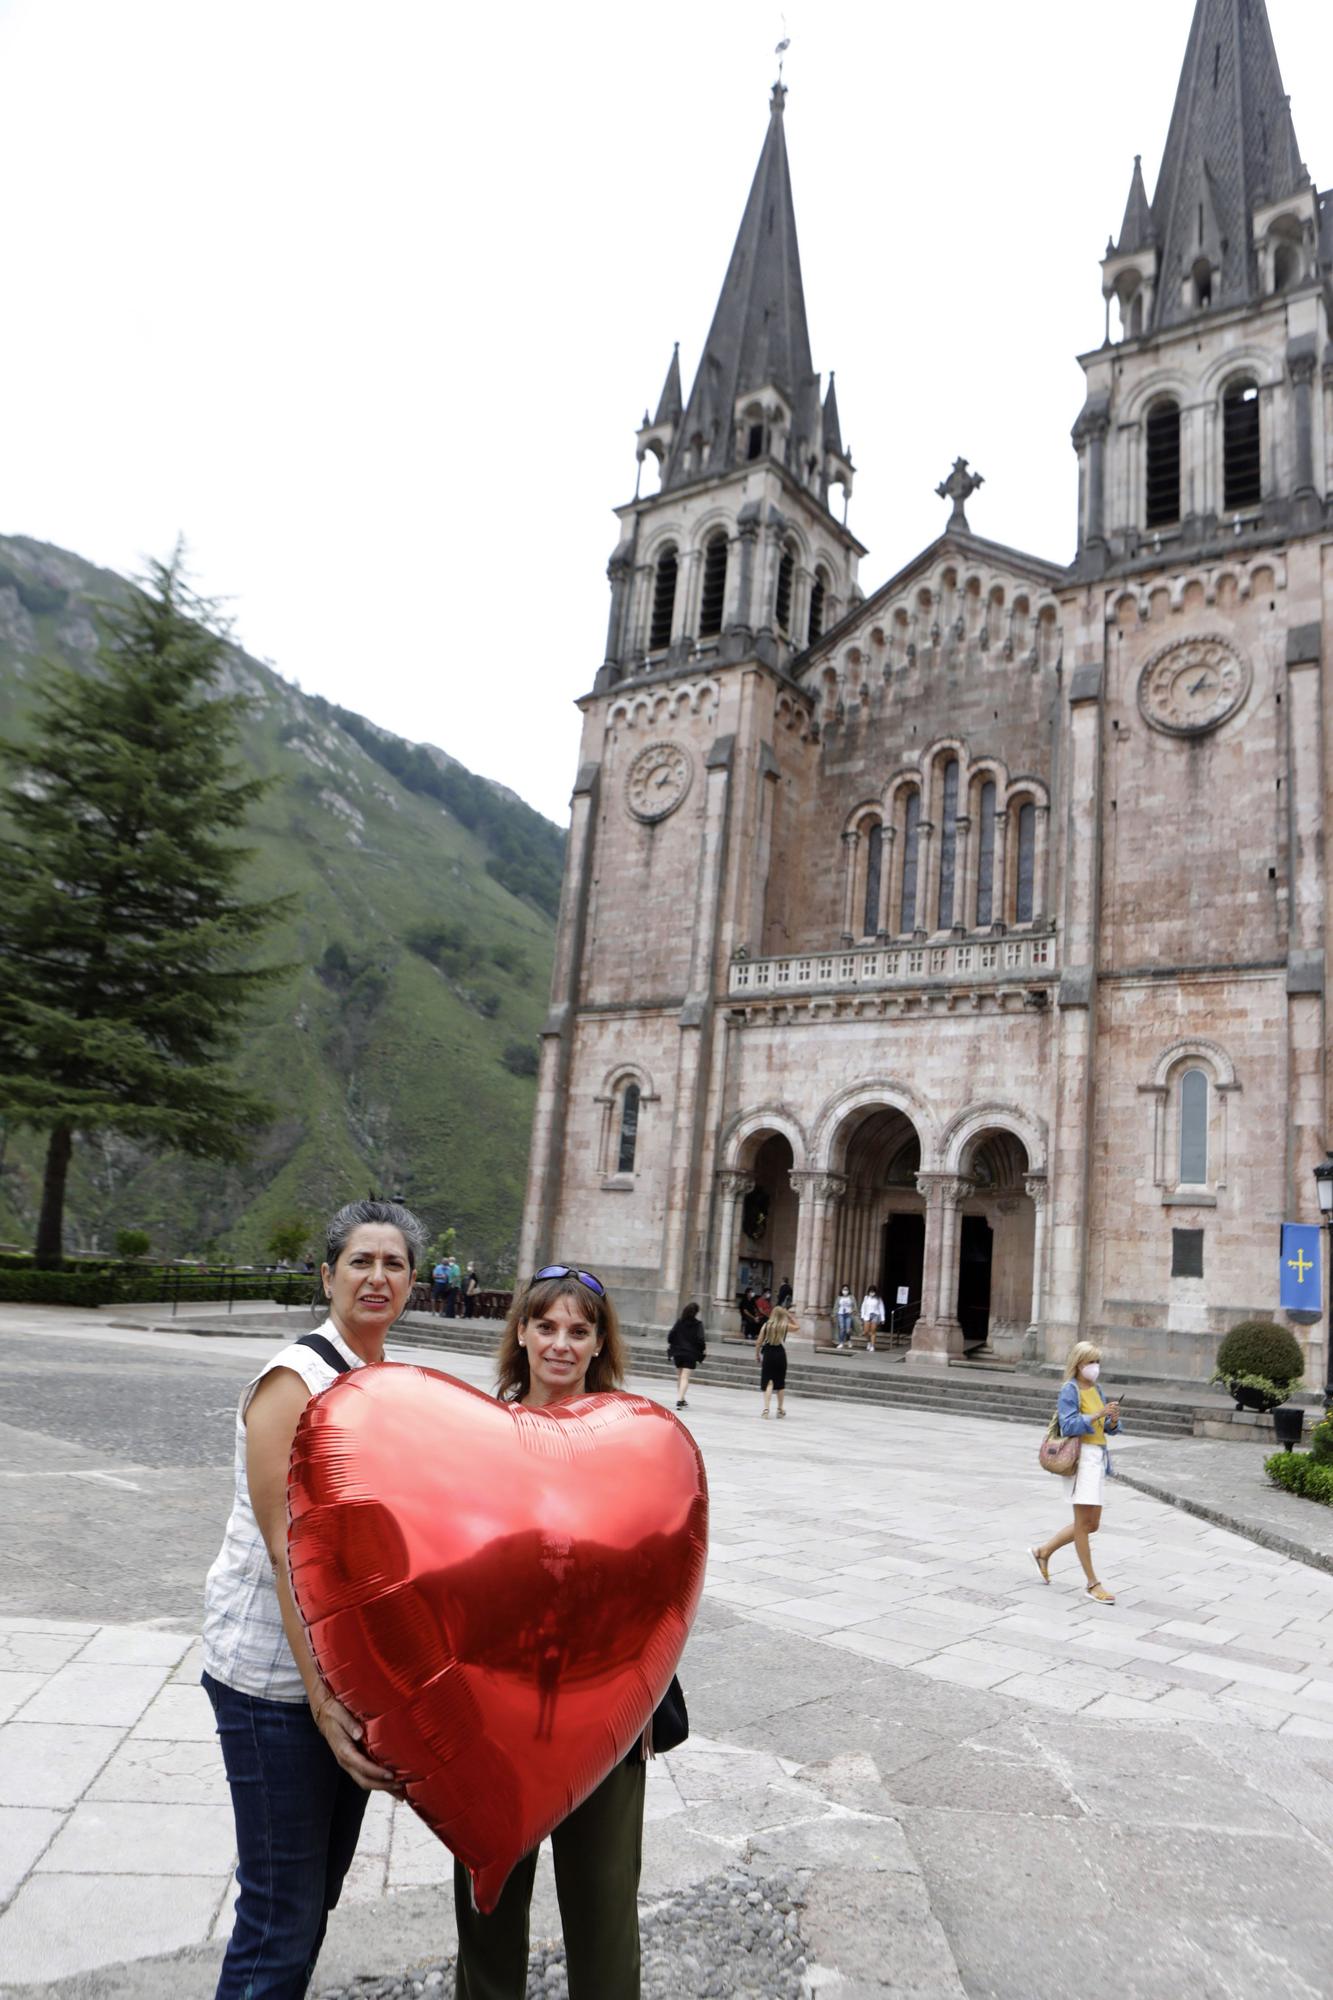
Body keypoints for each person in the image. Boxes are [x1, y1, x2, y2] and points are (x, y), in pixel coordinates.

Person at [202, 1197, 425, 2000]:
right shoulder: (294, 1381)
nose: (376, 1277)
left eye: (393, 1264)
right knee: (280, 1914)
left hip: (341, 1681)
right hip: (275, 1682)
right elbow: (283, 1551)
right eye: (360, 1262)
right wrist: (324, 1703)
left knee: (312, 1899)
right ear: (327, 1275)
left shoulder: (382, 1382)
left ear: (412, 1284)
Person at [454, 1263, 664, 1999]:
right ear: (521, 1332)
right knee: (489, 1907)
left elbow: (660, 1572)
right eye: (546, 1326)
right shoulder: (480, 1436)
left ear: (600, 1342)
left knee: (603, 1912)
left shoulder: (632, 1441)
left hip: (603, 1702)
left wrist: (646, 1693)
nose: (561, 1344)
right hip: (494, 1702)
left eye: (579, 1330)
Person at [1030, 1341, 1122, 1605]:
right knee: (1083, 1524)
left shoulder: (1097, 1389)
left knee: (1092, 1524)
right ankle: (1092, 1583)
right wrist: (1097, 1415)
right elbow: (1069, 1424)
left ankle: (1043, 1551)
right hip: (1080, 1461)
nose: (1095, 1367)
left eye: (1097, 1362)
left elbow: (1108, 1429)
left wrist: (1112, 1419)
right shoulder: (1069, 1390)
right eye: (1091, 1362)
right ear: (1079, 1364)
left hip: (1098, 1460)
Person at [756, 1303, 794, 1418]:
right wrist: (789, 1316)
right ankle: (780, 1409)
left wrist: (757, 1354)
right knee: (780, 1383)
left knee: (769, 1382)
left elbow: (758, 1342)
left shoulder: (766, 1325)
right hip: (780, 1353)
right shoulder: (784, 1325)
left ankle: (766, 1409)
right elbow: (797, 1327)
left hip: (768, 1353)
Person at [666, 1301, 706, 1408]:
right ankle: (679, 1400)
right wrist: (702, 1350)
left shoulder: (679, 1322)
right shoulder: (698, 1325)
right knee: (685, 1377)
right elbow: (701, 1340)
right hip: (690, 1354)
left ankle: (682, 1398)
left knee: (680, 1376)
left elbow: (670, 1337)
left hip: (678, 1353)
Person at [859, 1286, 885, 1352]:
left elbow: (881, 1308)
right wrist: (862, 1315)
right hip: (867, 1315)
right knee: (866, 1331)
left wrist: (882, 1318)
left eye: (873, 1292)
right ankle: (869, 1342)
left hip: (875, 1315)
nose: (872, 1293)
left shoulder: (878, 1299)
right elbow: (863, 1307)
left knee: (873, 1331)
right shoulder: (866, 1298)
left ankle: (872, 1346)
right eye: (871, 1291)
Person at [834, 1284, 855, 1350]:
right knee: (842, 1328)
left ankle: (848, 1340)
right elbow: (836, 1306)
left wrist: (852, 1311)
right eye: (844, 1289)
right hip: (841, 1314)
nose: (845, 1291)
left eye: (846, 1289)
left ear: (848, 1291)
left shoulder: (851, 1297)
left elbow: (855, 1306)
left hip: (848, 1314)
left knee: (848, 1329)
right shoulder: (839, 1297)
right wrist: (834, 1314)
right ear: (841, 1290)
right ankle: (841, 1342)